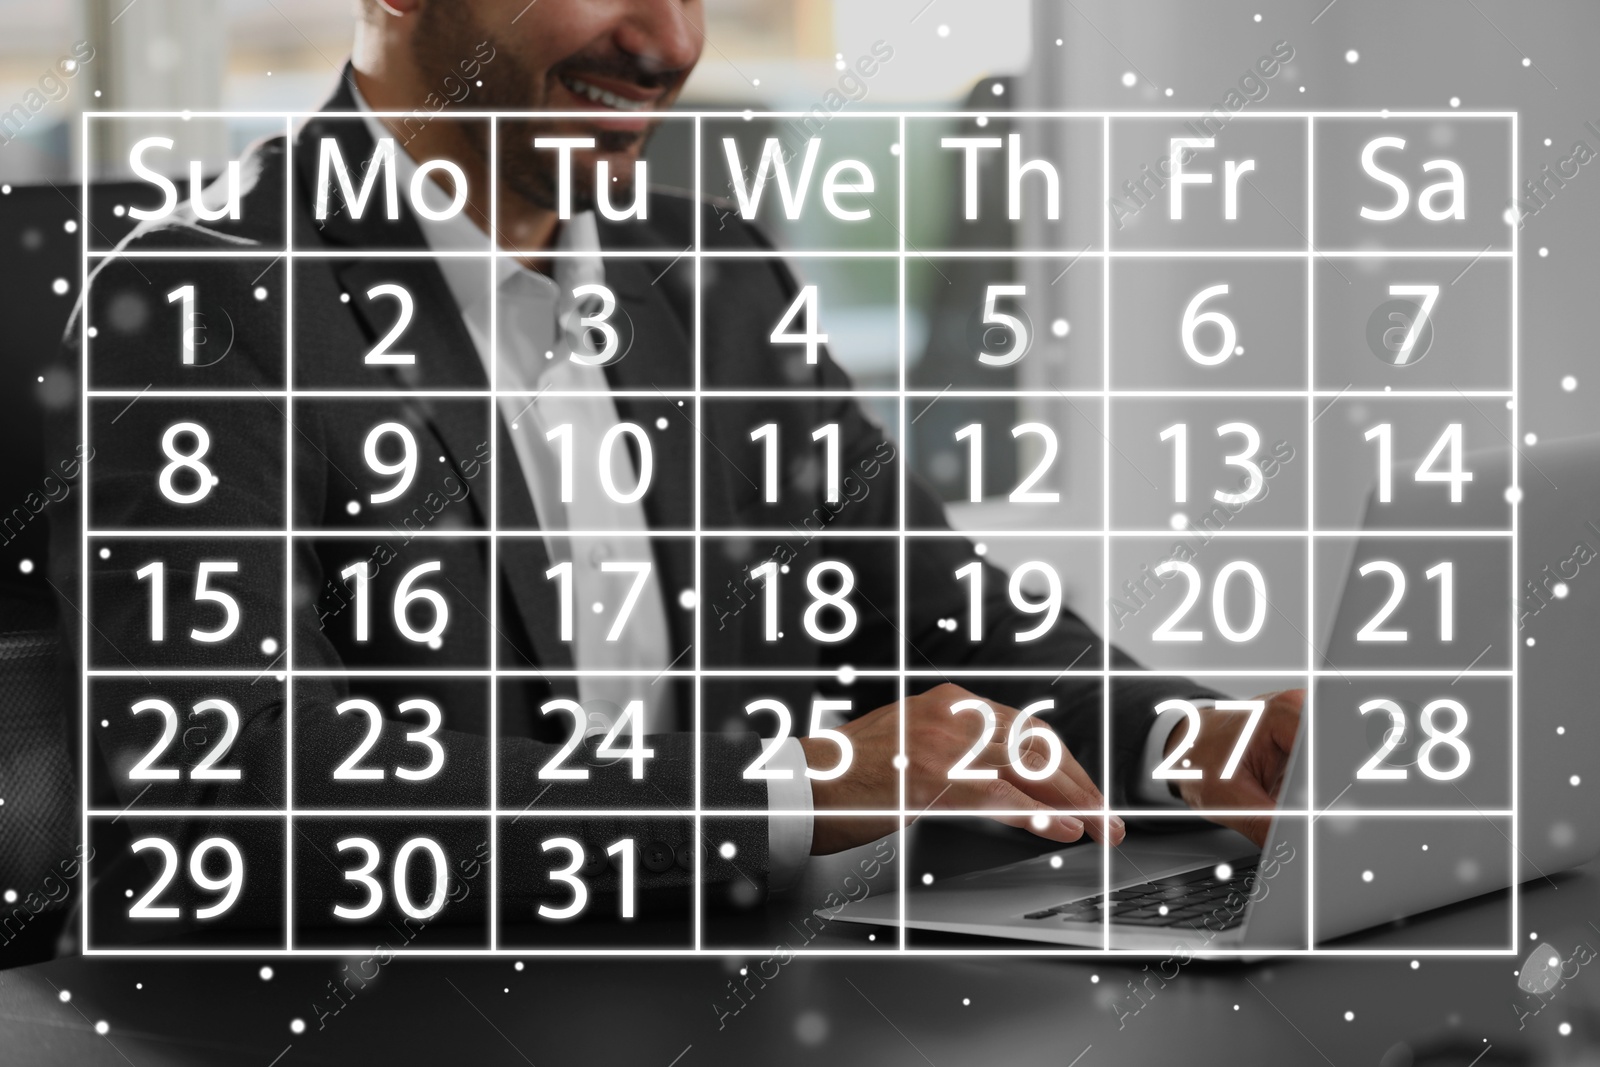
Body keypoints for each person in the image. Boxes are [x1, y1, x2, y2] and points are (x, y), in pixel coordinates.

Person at [64, 0, 1301, 932]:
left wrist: (1191, 734)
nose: (667, 39)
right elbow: (222, 791)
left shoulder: (714, 270)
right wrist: (790, 785)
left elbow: (935, 610)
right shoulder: (204, 297)